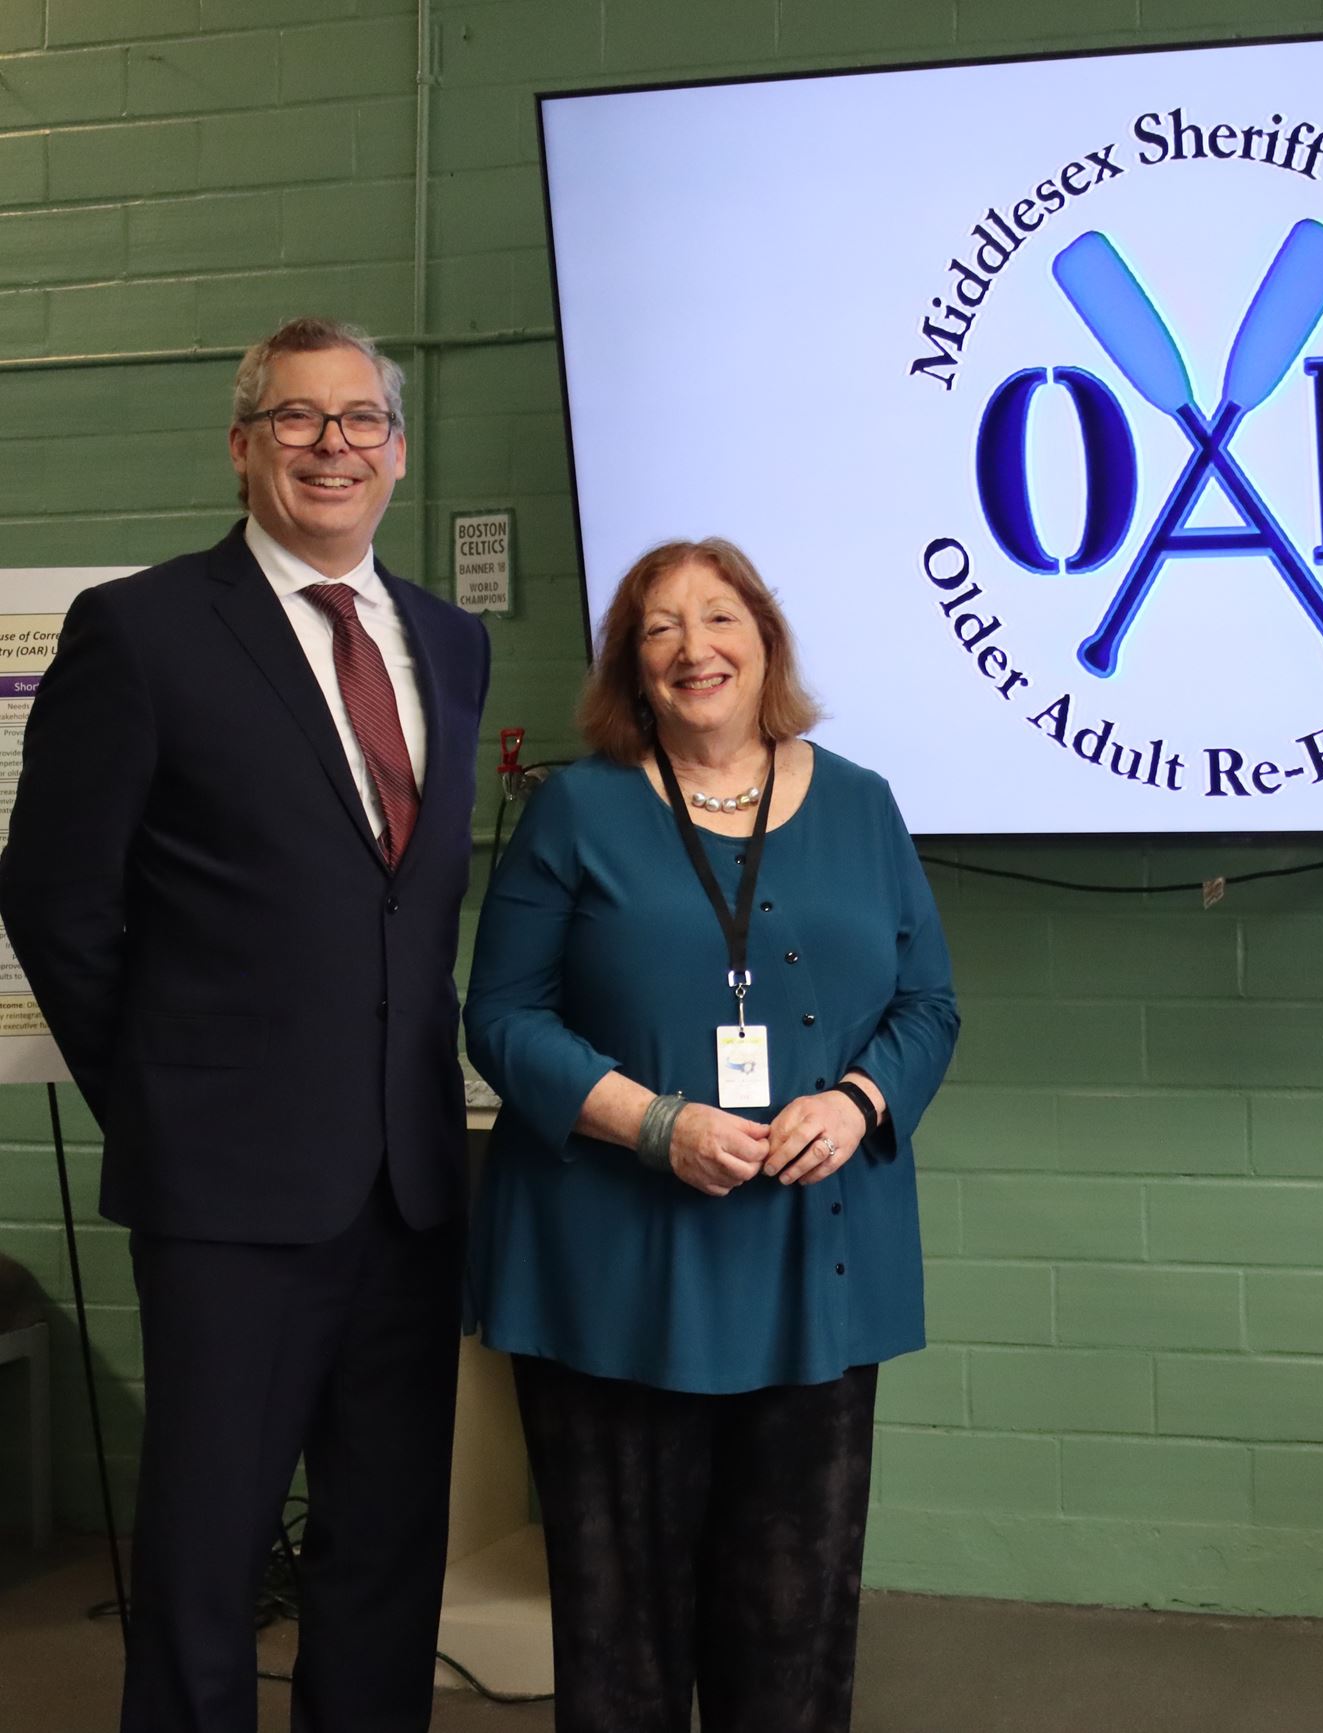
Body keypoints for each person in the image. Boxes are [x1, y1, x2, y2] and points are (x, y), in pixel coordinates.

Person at [0, 318, 491, 1732]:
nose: (331, 445)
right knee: (206, 1556)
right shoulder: (144, 630)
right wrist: (168, 1100)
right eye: (296, 418)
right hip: (224, 1189)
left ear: (398, 453)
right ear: (240, 444)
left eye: (359, 420)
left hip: (409, 1183)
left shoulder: (450, 643)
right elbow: (54, 899)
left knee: (386, 1546)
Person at [464, 536, 957, 1733]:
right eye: (660, 627)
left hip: (810, 1267)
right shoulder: (574, 808)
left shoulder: (861, 803)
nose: (696, 647)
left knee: (793, 1628)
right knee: (620, 1634)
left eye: (721, 616)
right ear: (631, 667)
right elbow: (502, 1016)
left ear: (765, 642)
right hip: (612, 1273)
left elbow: (926, 1002)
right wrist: (653, 1122)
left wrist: (856, 1100)